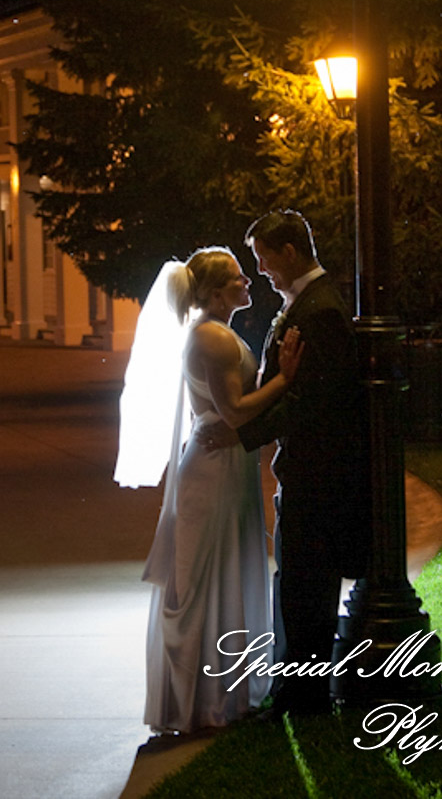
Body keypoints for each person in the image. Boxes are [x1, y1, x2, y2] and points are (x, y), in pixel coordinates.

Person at [116, 247, 302, 735]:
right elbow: (237, 412)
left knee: (226, 569)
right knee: (210, 573)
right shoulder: (211, 339)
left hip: (225, 463)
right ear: (217, 292)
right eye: (239, 279)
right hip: (215, 469)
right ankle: (208, 703)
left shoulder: (215, 333)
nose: (249, 283)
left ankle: (224, 697)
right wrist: (285, 378)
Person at [200, 210, 366, 716]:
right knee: (296, 583)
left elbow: (313, 404)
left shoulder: (320, 311)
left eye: (264, 257)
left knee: (305, 587)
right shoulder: (305, 303)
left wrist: (240, 436)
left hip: (318, 474)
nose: (263, 269)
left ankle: (304, 699)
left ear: (289, 252)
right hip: (302, 471)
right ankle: (295, 691)